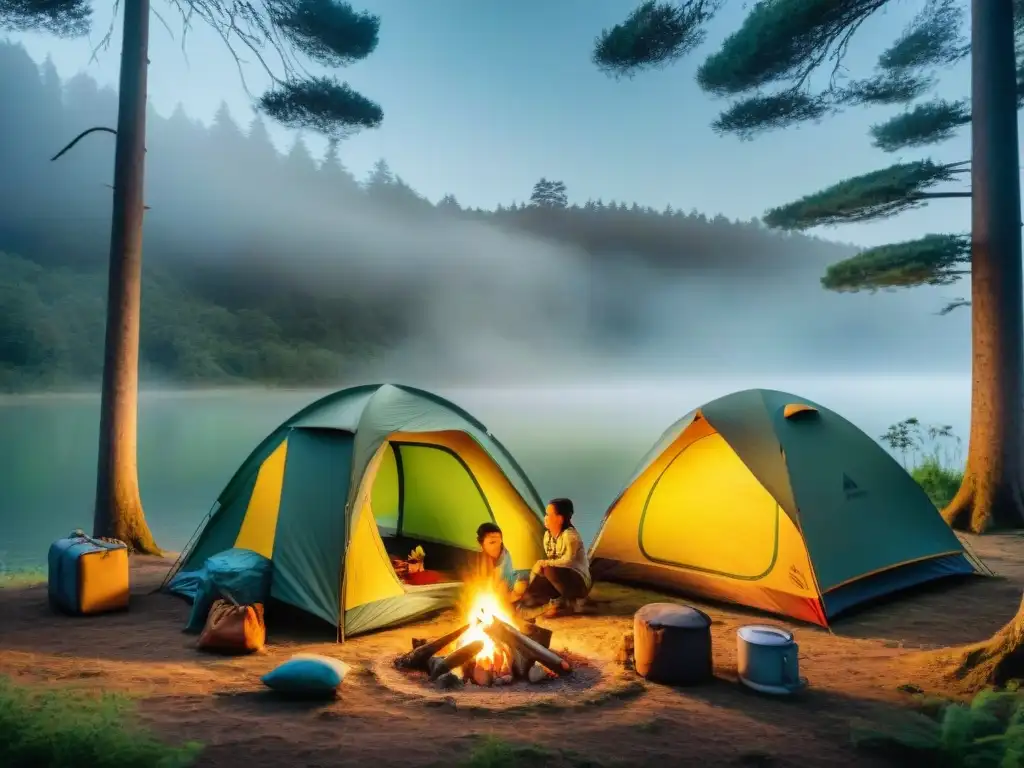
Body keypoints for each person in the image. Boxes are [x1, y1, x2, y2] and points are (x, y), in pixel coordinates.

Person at [521, 497, 593, 618]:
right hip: (560, 579)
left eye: (548, 514)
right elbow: (551, 561)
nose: (545, 518)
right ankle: (555, 602)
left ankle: (573, 602)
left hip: (578, 581)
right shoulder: (547, 536)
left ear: (559, 519)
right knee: (538, 581)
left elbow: (567, 561)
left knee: (548, 568)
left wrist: (543, 563)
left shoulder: (570, 536)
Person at [475, 522, 527, 600]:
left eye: (500, 540)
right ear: (482, 545)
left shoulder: (508, 560)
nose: (498, 545)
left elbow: (518, 588)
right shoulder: (483, 560)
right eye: (492, 542)